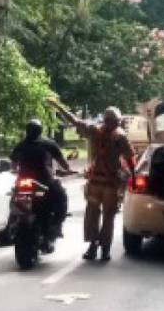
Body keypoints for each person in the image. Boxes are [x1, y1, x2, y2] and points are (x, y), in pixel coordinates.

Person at [49, 100, 135, 262]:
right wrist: (134, 176)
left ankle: (93, 247)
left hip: (95, 183)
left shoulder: (94, 131)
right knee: (108, 217)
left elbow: (74, 120)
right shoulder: (120, 137)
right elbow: (130, 159)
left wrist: (58, 106)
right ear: (117, 121)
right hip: (110, 185)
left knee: (92, 215)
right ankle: (105, 250)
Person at [10, 119, 73, 246]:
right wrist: (68, 170)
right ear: (40, 130)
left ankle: (14, 222)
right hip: (45, 182)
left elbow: (13, 166)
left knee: (14, 198)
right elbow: (64, 164)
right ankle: (56, 225)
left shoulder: (20, 145)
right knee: (62, 197)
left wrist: (16, 171)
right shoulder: (49, 144)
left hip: (24, 183)